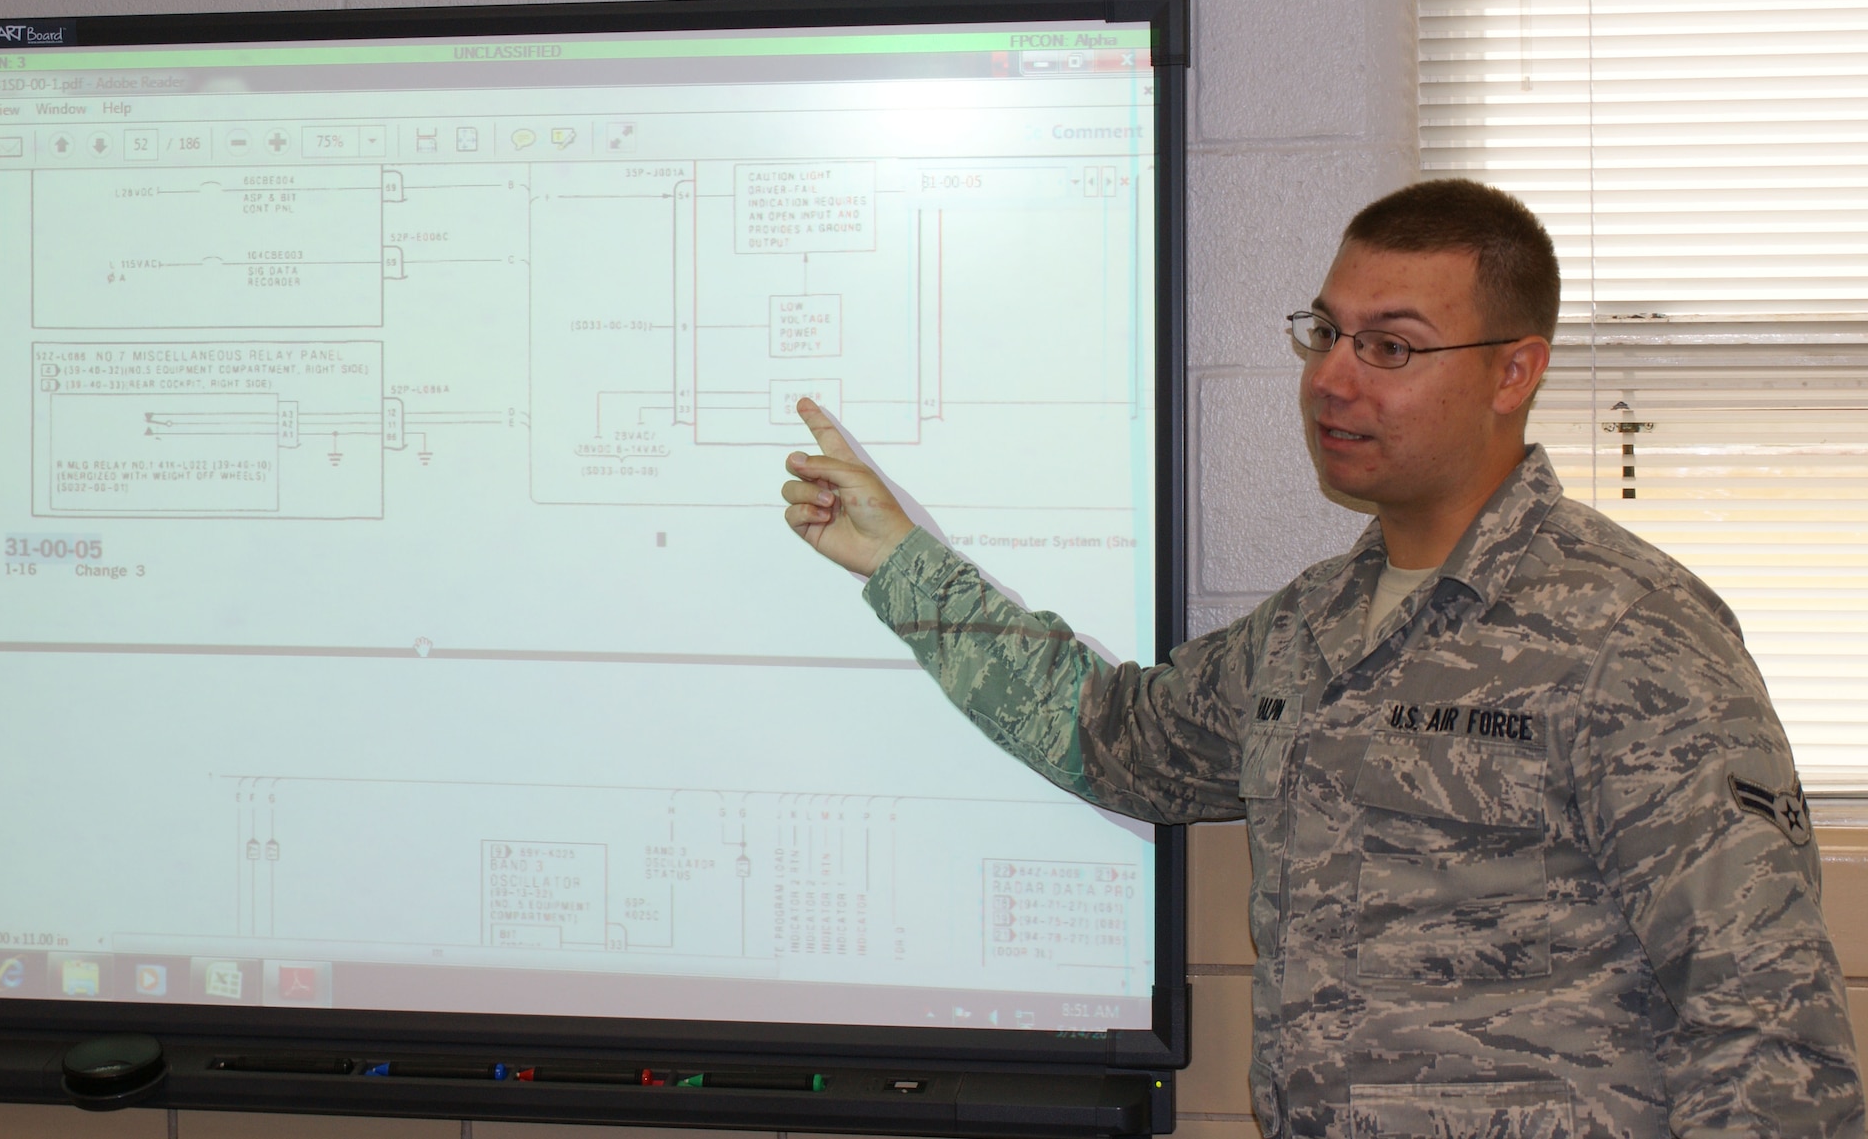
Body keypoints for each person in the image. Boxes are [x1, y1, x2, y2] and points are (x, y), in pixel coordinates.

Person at [779, 179, 1864, 1137]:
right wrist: (902, 561)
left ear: (1512, 371)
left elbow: (1766, 1026)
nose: (1331, 379)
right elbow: (1111, 735)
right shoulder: (1311, 626)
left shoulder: (1630, 636)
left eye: (1388, 346)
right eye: (1325, 334)